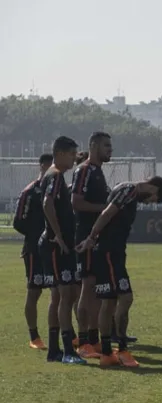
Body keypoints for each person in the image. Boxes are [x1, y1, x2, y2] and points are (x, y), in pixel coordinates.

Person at [76, 177, 162, 367]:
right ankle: (121, 349)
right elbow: (107, 213)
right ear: (154, 187)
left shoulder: (129, 193)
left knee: (109, 301)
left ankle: (108, 352)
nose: (149, 202)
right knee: (124, 298)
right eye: (153, 198)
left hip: (113, 252)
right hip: (109, 252)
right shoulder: (129, 191)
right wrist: (91, 238)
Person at [39, 136, 84, 364]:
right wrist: (58, 234)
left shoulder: (53, 176)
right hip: (57, 246)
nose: (74, 159)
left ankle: (54, 350)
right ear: (61, 153)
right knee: (66, 296)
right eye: (72, 154)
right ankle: (67, 351)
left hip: (54, 245)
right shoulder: (55, 175)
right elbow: (47, 204)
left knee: (57, 296)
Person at [70, 132, 112, 359]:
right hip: (85, 236)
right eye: (106, 145)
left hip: (97, 237)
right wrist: (106, 209)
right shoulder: (84, 170)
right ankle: (83, 341)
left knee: (95, 289)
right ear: (94, 145)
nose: (110, 150)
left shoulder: (98, 172)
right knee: (87, 287)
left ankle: (94, 340)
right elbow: (76, 202)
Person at [13, 154, 54, 350]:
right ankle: (34, 336)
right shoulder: (29, 192)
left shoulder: (59, 190)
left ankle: (64, 334)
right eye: (47, 166)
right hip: (34, 250)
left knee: (61, 292)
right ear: (42, 166)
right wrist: (37, 236)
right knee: (34, 291)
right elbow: (18, 222)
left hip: (54, 249)